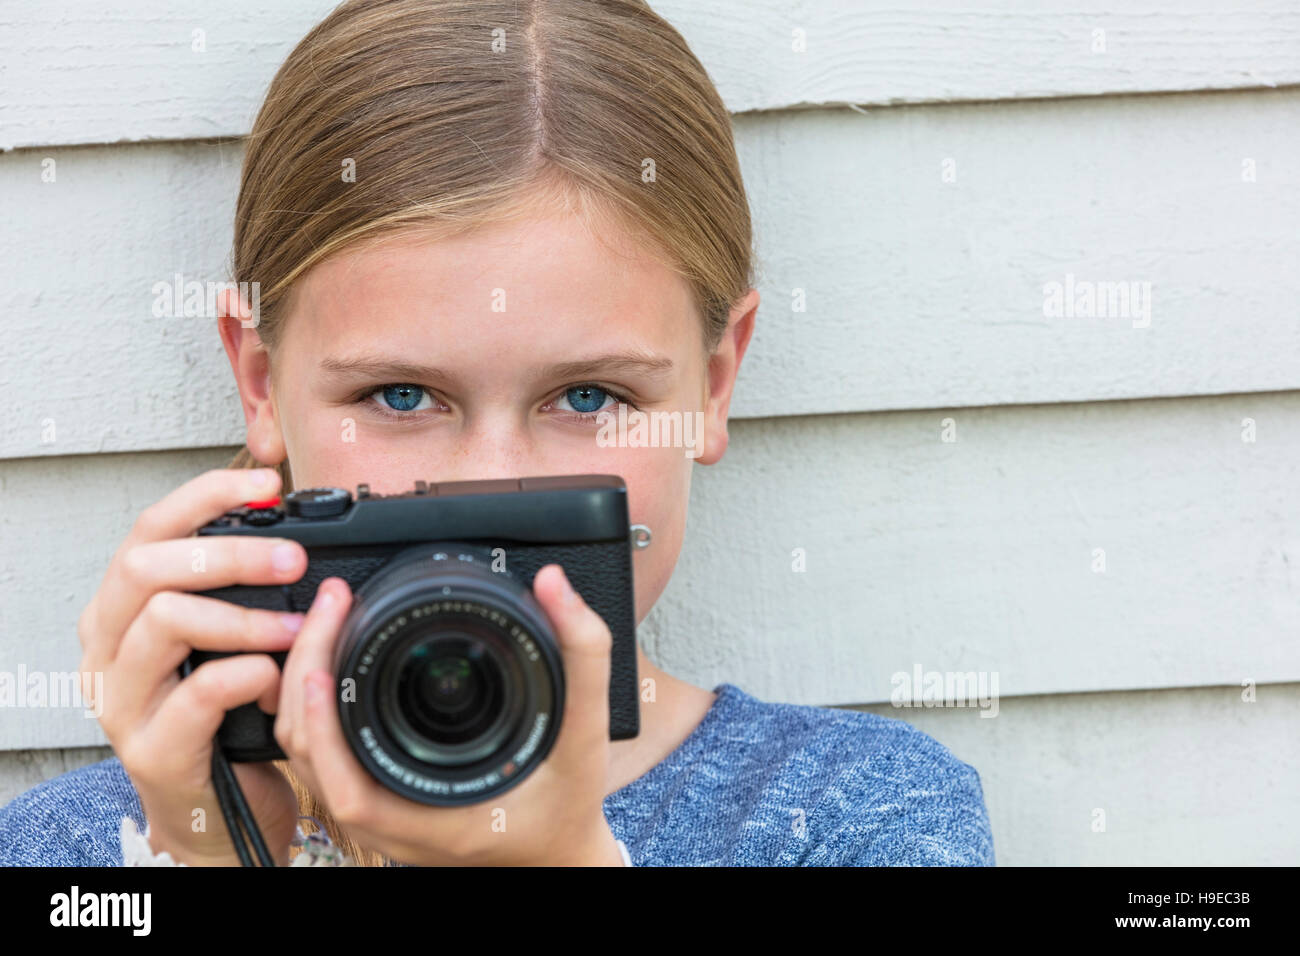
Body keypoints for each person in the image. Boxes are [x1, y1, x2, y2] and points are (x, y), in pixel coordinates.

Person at [0, 0, 994, 866]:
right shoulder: (81, 853)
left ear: (714, 382)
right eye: (399, 396)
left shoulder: (859, 816)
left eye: (588, 394)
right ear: (261, 381)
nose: (490, 486)